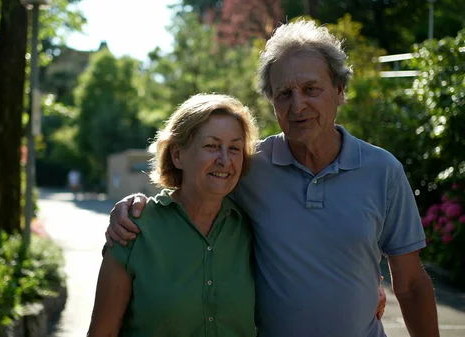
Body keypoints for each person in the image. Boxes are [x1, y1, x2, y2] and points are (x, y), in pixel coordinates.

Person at [106, 19, 439, 337]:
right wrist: (135, 206)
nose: (298, 106)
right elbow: (192, 193)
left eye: (311, 89)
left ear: (339, 90)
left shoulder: (383, 171)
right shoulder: (250, 166)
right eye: (284, 94)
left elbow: (410, 284)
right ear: (271, 102)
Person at [87, 93, 260, 336]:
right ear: (177, 155)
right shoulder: (134, 229)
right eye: (211, 146)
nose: (224, 160)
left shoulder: (251, 228)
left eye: (234, 148)